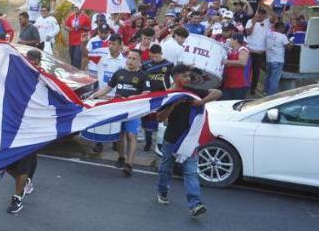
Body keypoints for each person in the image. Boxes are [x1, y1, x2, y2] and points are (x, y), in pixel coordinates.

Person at [155, 64, 221, 217]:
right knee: (166, 168)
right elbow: (159, 118)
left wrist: (201, 102)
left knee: (191, 172)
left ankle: (195, 204)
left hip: (189, 140)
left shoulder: (191, 91)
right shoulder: (167, 95)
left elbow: (218, 92)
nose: (188, 79)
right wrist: (174, 105)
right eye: (184, 76)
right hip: (171, 139)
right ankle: (162, 191)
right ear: (175, 76)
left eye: (189, 76)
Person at [90, 47, 148, 176]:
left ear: (139, 61)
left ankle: (129, 164)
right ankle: (121, 157)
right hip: (119, 108)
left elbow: (146, 94)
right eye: (129, 58)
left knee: (131, 135)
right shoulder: (119, 73)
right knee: (119, 135)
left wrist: (134, 97)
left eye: (134, 59)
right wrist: (94, 95)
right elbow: (107, 88)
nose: (130, 61)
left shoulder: (143, 76)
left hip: (133, 111)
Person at [5, 49, 44, 215]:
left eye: (36, 62)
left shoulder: (44, 80)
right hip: (13, 127)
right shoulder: (15, 77)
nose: (32, 65)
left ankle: (17, 198)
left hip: (31, 130)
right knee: (3, 163)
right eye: (30, 62)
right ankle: (25, 182)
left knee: (24, 164)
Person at [142, 44, 173, 152]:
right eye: (152, 57)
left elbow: (175, 79)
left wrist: (171, 91)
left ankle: (162, 143)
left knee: (164, 122)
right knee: (148, 122)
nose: (154, 59)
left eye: (156, 57)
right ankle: (148, 143)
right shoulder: (146, 65)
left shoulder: (169, 65)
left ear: (160, 53)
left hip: (164, 97)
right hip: (149, 97)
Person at [244, 8, 270, 95]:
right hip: (249, 50)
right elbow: (248, 33)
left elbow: (274, 17)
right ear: (256, 13)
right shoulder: (250, 21)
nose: (260, 15)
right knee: (247, 69)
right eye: (259, 13)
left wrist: (266, 5)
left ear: (265, 15)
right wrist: (253, 24)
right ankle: (244, 86)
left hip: (260, 52)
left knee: (256, 71)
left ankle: (253, 89)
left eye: (263, 14)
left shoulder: (267, 22)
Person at [221, 32, 251, 100]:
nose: (229, 40)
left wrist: (228, 62)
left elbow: (243, 62)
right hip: (229, 83)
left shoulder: (243, 49)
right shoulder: (231, 51)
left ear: (235, 40)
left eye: (231, 39)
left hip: (240, 84)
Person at [265, 22, 290, 95]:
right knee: (274, 79)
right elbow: (288, 47)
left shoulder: (269, 34)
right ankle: (271, 96)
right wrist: (291, 43)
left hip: (268, 59)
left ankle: (266, 92)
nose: (284, 29)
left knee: (268, 77)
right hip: (278, 60)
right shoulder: (282, 36)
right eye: (283, 28)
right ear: (280, 28)